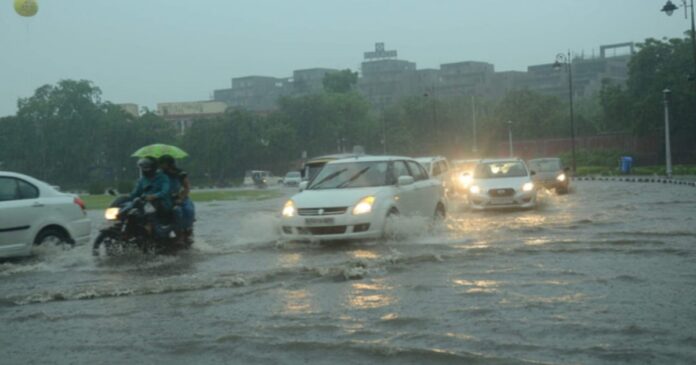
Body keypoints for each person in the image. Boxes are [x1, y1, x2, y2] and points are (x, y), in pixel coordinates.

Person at [129, 157, 173, 236]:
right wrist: (124, 197)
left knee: (152, 203)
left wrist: (154, 196)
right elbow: (135, 193)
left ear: (152, 168)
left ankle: (149, 225)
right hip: (146, 203)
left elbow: (165, 191)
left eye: (145, 168)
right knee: (134, 204)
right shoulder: (142, 180)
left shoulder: (163, 178)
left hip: (162, 204)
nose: (143, 170)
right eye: (142, 168)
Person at [159, 155, 195, 244]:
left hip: (179, 197)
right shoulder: (159, 174)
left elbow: (186, 187)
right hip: (164, 197)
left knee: (188, 210)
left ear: (168, 164)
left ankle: (187, 231)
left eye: (162, 163)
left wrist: (181, 198)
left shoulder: (180, 173)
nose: (160, 165)